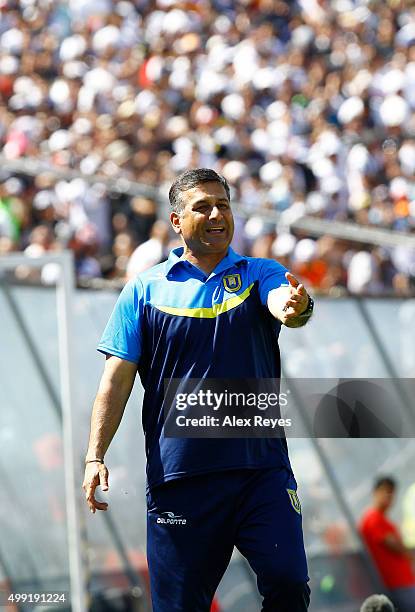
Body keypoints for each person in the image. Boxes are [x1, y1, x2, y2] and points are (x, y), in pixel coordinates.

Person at [83, 168, 314, 611]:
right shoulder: (143, 290)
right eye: (202, 206)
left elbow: (285, 303)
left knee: (289, 583)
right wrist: (95, 455)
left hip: (259, 472)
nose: (216, 215)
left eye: (223, 205)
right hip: (181, 480)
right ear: (175, 221)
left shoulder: (259, 273)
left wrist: (292, 307)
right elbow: (116, 378)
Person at [360, 476, 415, 612]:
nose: (389, 497)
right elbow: (396, 547)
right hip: (397, 583)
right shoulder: (373, 518)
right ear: (375, 492)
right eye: (385, 491)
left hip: (404, 581)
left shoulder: (382, 519)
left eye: (391, 493)